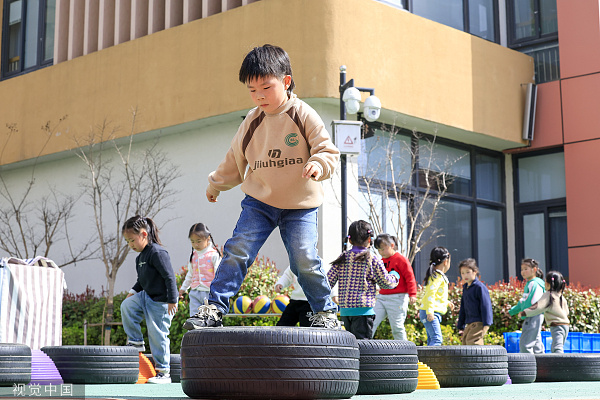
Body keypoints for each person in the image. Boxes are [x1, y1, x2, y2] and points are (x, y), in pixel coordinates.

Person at [183, 44, 340, 330]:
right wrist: (215, 185)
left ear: (286, 81)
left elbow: (327, 150)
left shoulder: (303, 115)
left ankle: (325, 313)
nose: (259, 96)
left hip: (300, 206)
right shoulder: (253, 121)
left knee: (304, 258)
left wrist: (318, 163)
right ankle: (214, 310)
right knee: (237, 250)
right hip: (260, 202)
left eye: (266, 88)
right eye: (252, 90)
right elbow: (235, 158)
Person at [120, 215, 178, 384]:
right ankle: (136, 342)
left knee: (157, 334)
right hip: (146, 296)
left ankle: (164, 373)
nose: (130, 245)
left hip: (161, 301)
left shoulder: (157, 253)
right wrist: (132, 292)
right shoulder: (140, 258)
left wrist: (172, 300)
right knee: (127, 306)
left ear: (144, 234)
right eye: (127, 241)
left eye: (132, 240)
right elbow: (142, 281)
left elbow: (169, 277)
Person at [327, 220, 400, 339]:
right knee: (363, 348)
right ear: (369, 240)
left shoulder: (343, 257)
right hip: (364, 311)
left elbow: (328, 281)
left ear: (349, 240)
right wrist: (395, 276)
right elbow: (386, 283)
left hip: (345, 311)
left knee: (350, 346)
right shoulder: (371, 258)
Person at [372, 233, 417, 341]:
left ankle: (405, 353)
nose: (381, 252)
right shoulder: (381, 261)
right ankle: (364, 346)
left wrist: (413, 294)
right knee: (371, 321)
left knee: (397, 327)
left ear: (392, 245)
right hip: (382, 297)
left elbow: (410, 277)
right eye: (378, 250)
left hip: (398, 298)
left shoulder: (401, 260)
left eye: (383, 249)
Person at [520, 270, 570, 353]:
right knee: (559, 345)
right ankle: (558, 361)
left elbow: (538, 307)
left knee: (557, 348)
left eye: (545, 281)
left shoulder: (548, 295)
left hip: (556, 325)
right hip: (566, 326)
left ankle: (559, 363)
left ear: (548, 283)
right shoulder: (560, 295)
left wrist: (525, 312)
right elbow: (567, 311)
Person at [179, 223, 222, 317]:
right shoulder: (193, 256)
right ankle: (196, 332)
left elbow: (218, 274)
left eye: (199, 241)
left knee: (210, 318)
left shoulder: (213, 255)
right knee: (194, 317)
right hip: (195, 292)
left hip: (209, 293)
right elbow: (190, 274)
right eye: (193, 241)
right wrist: (183, 288)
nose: (196, 244)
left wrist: (218, 290)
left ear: (208, 238)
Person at [419, 246, 454, 346]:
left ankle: (427, 361)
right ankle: (431, 361)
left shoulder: (437, 276)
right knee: (437, 340)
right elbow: (430, 294)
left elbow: (437, 296)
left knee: (432, 340)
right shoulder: (436, 277)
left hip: (431, 311)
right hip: (430, 312)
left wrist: (446, 303)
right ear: (445, 262)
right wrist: (430, 312)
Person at [509, 258, 546, 354]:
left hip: (532, 315)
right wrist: (512, 311)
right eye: (522, 269)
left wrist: (524, 312)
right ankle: (541, 366)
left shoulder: (534, 283)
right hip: (536, 315)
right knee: (536, 344)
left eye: (526, 269)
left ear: (534, 269)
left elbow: (531, 301)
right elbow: (523, 301)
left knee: (525, 344)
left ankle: (527, 367)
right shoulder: (532, 283)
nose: (523, 272)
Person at [456, 258, 493, 345]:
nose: (465, 275)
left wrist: (487, 324)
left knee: (473, 343)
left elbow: (486, 306)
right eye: (463, 273)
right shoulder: (465, 288)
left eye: (468, 272)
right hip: (469, 324)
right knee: (465, 343)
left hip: (478, 323)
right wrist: (460, 325)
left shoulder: (479, 287)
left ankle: (480, 359)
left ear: (475, 272)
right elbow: (463, 307)